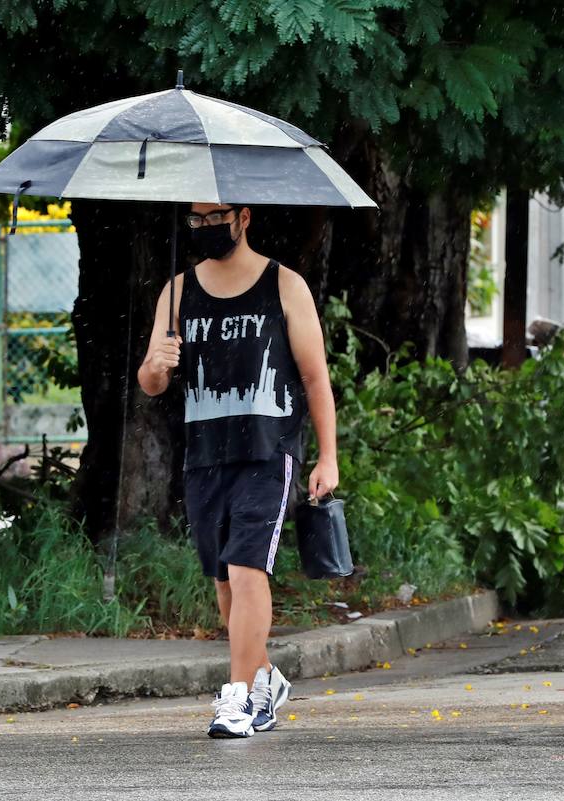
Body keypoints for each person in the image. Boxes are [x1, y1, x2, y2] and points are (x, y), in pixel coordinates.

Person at [138, 202, 339, 737]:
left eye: (215, 217)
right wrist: (156, 366)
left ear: (243, 217)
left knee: (250, 569)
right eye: (196, 220)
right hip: (204, 455)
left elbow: (316, 379)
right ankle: (266, 677)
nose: (205, 228)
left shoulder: (284, 285)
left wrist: (328, 456)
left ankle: (237, 698)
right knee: (226, 587)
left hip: (269, 452)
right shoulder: (178, 291)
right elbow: (151, 382)